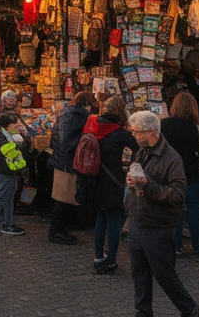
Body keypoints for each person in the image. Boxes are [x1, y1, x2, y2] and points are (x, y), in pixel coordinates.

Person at [125, 110, 199, 317]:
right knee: (139, 273)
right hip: (137, 220)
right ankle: (143, 311)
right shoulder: (142, 151)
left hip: (157, 225)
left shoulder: (171, 158)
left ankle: (189, 308)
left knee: (164, 274)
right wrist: (132, 182)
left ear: (150, 132)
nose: (133, 135)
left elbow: (177, 194)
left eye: (137, 132)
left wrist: (148, 185)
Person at [85, 95, 137, 272]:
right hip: (113, 178)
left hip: (94, 176)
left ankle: (99, 257)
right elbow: (138, 146)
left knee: (101, 216)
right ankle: (111, 259)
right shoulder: (119, 132)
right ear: (118, 111)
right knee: (113, 218)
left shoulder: (91, 124)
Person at [47, 91, 95, 245]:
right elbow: (67, 142)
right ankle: (56, 231)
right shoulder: (76, 117)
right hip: (67, 163)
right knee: (64, 199)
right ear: (86, 105)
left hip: (62, 161)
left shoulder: (66, 114)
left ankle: (59, 229)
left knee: (64, 199)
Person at [161, 91, 199, 257]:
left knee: (176, 210)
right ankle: (198, 245)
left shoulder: (165, 125)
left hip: (172, 172)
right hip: (192, 171)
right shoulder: (195, 127)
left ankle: (177, 246)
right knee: (194, 209)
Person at [0, 112, 28, 238]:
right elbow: (12, 151)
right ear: (8, 125)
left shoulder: (9, 134)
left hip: (10, 171)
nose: (18, 125)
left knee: (9, 198)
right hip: (3, 172)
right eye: (15, 123)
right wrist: (20, 143)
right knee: (1, 197)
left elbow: (21, 146)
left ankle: (8, 223)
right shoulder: (0, 136)